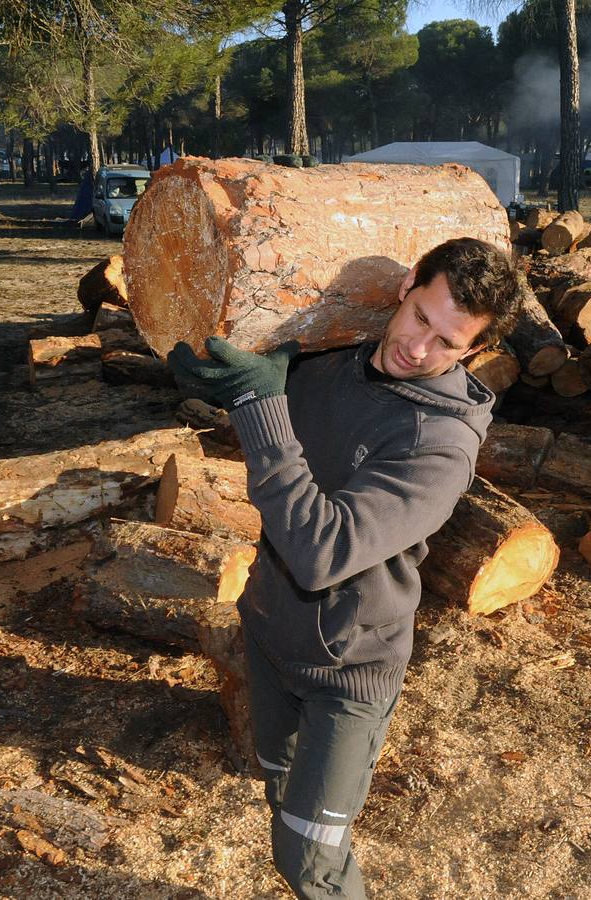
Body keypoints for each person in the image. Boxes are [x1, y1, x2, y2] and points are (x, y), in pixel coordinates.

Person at [168, 237, 521, 899]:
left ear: (474, 352)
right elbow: (274, 414)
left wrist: (257, 404)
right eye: (420, 317)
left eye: (448, 343)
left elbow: (321, 550)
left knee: (311, 861)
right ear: (406, 285)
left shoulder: (439, 446)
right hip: (273, 637)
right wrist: (216, 383)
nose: (419, 349)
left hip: (349, 671)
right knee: (279, 789)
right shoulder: (333, 360)